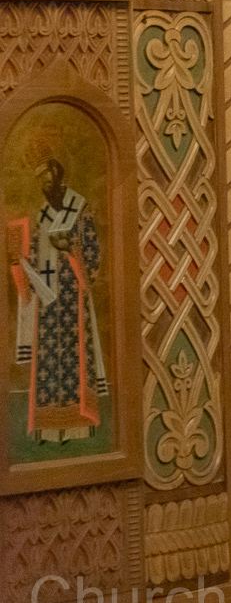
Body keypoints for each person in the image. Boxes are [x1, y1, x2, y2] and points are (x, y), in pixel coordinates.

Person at [11, 141, 107, 443]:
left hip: (73, 297)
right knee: (49, 364)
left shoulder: (80, 206)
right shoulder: (40, 213)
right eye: (40, 179)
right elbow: (33, 250)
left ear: (58, 175)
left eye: (47, 176)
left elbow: (93, 250)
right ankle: (49, 430)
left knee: (75, 362)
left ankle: (78, 426)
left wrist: (70, 248)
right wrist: (20, 260)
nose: (44, 182)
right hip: (47, 299)